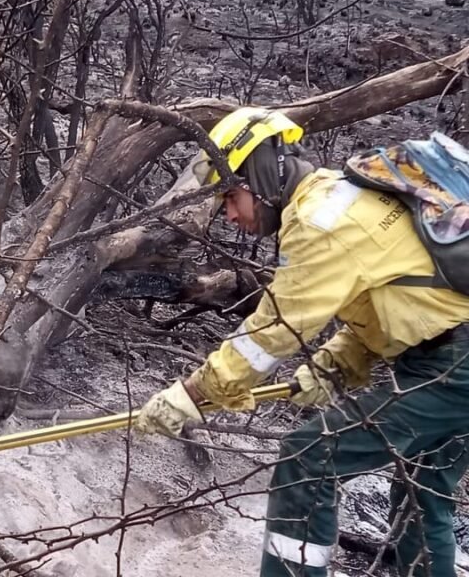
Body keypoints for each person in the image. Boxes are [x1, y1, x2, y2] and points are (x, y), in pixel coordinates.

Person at [134, 107, 469, 577]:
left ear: (261, 174)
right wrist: (338, 361)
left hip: (453, 371)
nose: (229, 214)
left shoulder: (321, 220)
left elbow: (272, 332)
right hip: (445, 359)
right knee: (423, 490)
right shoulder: (349, 199)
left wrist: (192, 394)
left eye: (230, 196)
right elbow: (402, 295)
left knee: (310, 455)